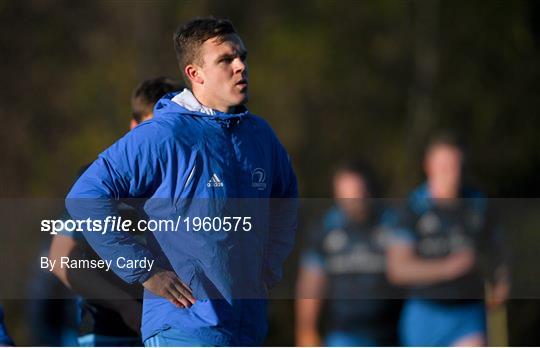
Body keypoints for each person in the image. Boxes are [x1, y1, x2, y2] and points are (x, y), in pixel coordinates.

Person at [66, 17, 297, 347]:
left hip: (248, 328)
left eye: (242, 56)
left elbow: (286, 197)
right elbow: (85, 196)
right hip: (183, 328)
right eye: (226, 59)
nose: (241, 66)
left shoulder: (261, 136)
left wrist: (269, 266)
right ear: (195, 73)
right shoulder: (163, 135)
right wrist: (144, 271)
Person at [50, 76, 183, 346]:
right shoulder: (96, 181)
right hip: (108, 332)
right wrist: (125, 306)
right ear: (133, 126)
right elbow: (61, 258)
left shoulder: (192, 180)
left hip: (179, 330)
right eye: (151, 130)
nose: (158, 143)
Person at [386, 134, 509, 346]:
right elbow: (398, 270)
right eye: (443, 166)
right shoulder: (412, 209)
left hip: (468, 313)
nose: (451, 173)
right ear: (428, 166)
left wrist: (502, 280)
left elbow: (497, 249)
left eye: (456, 165)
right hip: (425, 314)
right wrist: (448, 268)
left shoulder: (478, 204)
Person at [296, 161, 402, 347]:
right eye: (345, 194)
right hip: (345, 334)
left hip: (392, 333)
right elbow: (311, 283)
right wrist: (306, 330)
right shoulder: (326, 229)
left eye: (357, 192)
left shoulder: (392, 223)